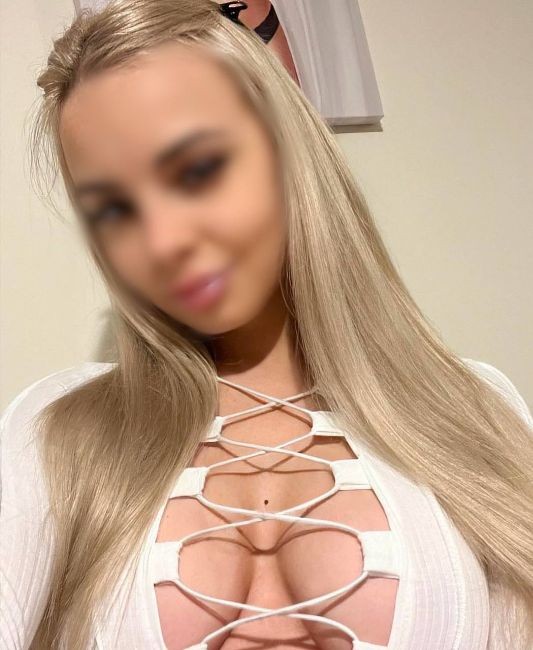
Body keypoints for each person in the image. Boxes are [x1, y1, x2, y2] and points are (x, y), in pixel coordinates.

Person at [1, 1, 532, 648]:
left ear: (289, 152)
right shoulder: (59, 434)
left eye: (197, 171)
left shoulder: (469, 408)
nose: (163, 241)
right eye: (113, 210)